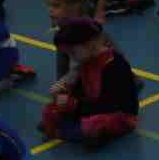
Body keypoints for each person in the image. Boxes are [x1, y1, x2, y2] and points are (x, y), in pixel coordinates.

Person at [40, 15, 139, 148]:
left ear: (90, 44)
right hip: (91, 108)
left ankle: (65, 131)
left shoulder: (115, 65)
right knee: (51, 109)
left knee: (92, 125)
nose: (71, 57)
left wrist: (74, 105)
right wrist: (64, 96)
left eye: (72, 52)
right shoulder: (86, 61)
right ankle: (71, 130)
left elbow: (109, 105)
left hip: (119, 115)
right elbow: (81, 90)